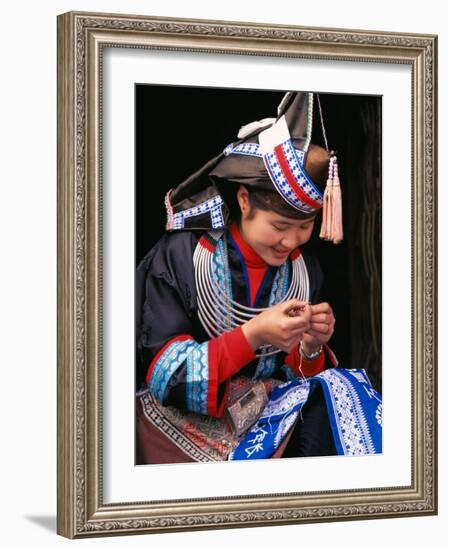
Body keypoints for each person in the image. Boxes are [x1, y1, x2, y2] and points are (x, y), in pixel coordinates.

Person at [135, 91, 382, 464]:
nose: (292, 240)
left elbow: (294, 375)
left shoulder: (303, 268)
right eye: (280, 225)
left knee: (342, 391)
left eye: (306, 226)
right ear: (245, 200)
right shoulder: (180, 257)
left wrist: (310, 347)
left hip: (267, 414)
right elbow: (164, 377)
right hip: (182, 424)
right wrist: (253, 336)